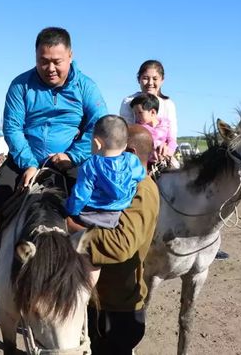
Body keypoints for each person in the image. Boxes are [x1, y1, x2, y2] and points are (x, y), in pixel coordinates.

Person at [0, 26, 108, 283]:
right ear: (35, 58)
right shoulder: (21, 85)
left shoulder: (86, 87)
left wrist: (73, 156)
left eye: (57, 62)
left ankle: (94, 276)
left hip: (67, 162)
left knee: (98, 212)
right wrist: (29, 162)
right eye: (43, 61)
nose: (50, 68)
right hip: (23, 161)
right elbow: (12, 127)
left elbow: (98, 126)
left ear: (70, 56)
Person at [70, 125, 159, 354]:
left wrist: (71, 232)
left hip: (117, 311)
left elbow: (120, 244)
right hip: (101, 301)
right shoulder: (119, 184)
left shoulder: (142, 190)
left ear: (128, 152)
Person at [65, 115, 145, 229]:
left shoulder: (91, 165)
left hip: (90, 216)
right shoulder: (132, 161)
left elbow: (81, 196)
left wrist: (70, 210)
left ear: (97, 143)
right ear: (125, 146)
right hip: (117, 216)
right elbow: (141, 176)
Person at [119, 59, 178, 161]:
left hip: (163, 157)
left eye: (155, 79)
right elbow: (126, 134)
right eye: (145, 78)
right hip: (135, 157)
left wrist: (166, 150)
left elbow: (172, 137)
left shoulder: (168, 104)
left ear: (162, 80)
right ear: (139, 79)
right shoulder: (129, 102)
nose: (150, 83)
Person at [130, 93, 178, 167]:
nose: (137, 116)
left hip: (164, 158)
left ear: (153, 112)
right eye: (135, 113)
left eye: (140, 113)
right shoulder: (139, 128)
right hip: (146, 162)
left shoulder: (165, 124)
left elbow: (172, 140)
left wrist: (168, 151)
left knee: (176, 166)